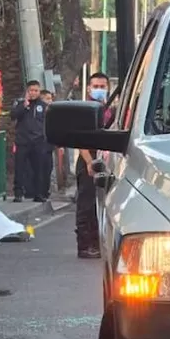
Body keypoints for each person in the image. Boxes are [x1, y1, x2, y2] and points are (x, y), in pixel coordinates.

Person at [75, 72, 114, 259]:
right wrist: (90, 162)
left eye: (103, 86)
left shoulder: (110, 110)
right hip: (89, 160)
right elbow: (80, 139)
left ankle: (98, 243)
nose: (99, 89)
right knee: (87, 204)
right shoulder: (85, 109)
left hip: (106, 158)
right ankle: (84, 245)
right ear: (89, 88)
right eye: (96, 86)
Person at [9, 80, 47, 202]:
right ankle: (18, 193)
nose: (33, 93)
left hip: (38, 142)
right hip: (23, 141)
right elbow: (13, 115)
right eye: (31, 90)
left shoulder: (43, 105)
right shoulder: (20, 103)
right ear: (27, 91)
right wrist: (24, 105)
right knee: (20, 168)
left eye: (36, 90)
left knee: (38, 169)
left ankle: (38, 194)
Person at [39, 90, 56, 199]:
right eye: (47, 99)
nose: (50, 101)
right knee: (40, 170)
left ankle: (45, 191)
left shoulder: (52, 114)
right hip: (39, 145)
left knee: (48, 169)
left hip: (49, 146)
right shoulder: (38, 113)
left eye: (51, 99)